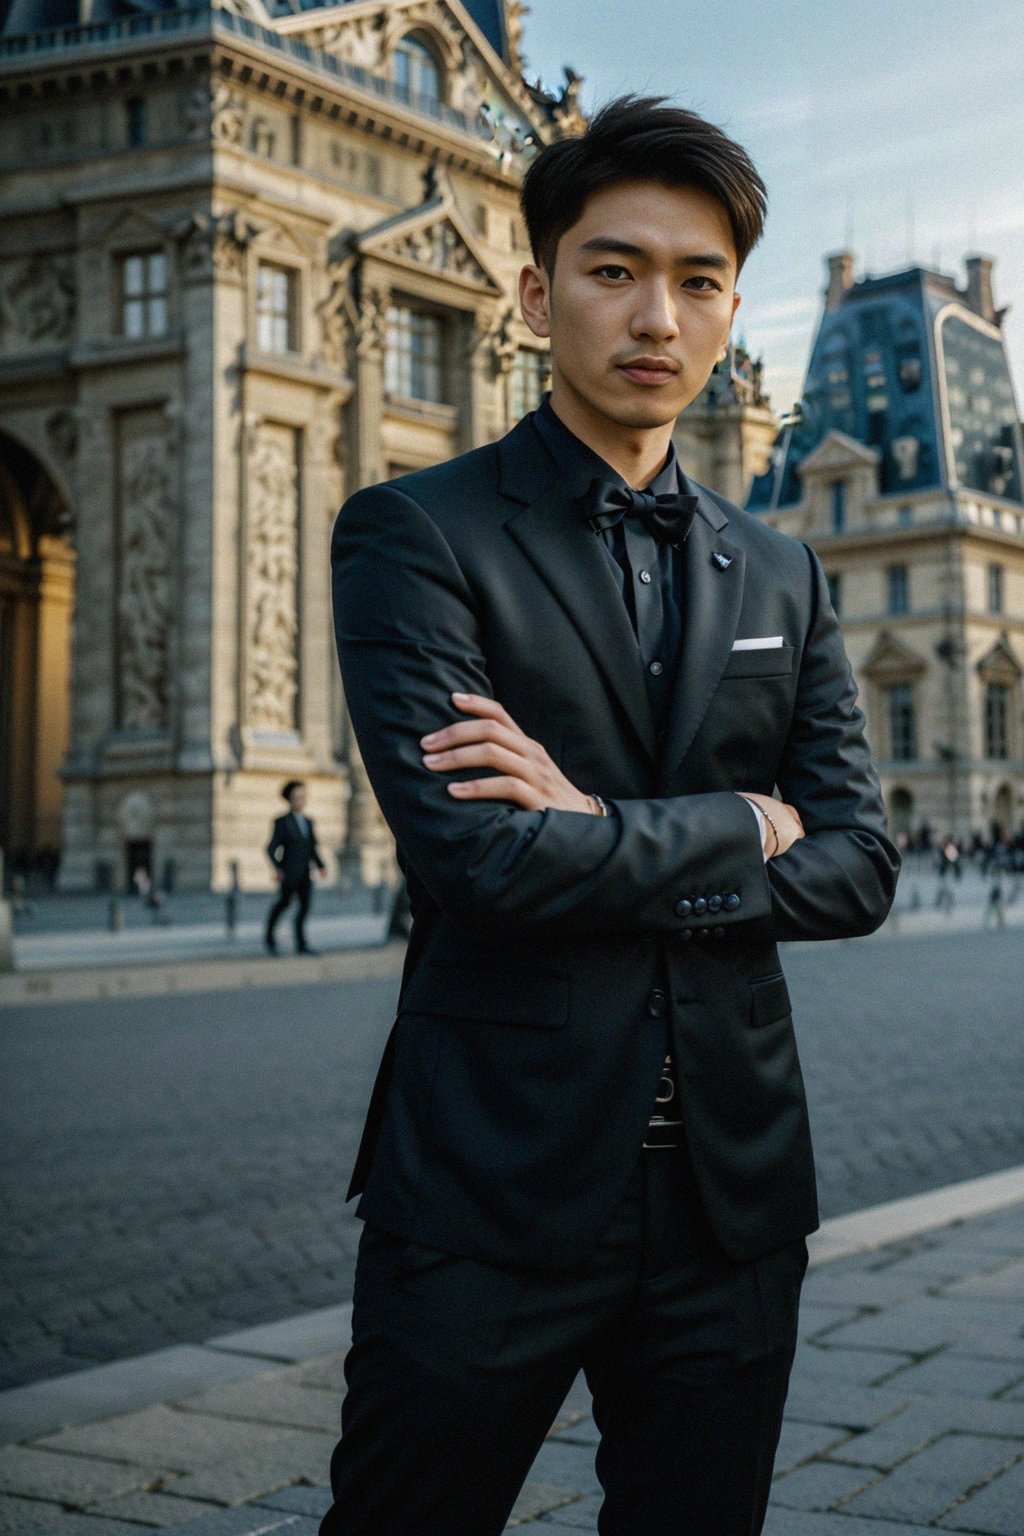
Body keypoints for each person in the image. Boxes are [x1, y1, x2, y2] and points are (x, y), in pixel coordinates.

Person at [321, 95, 899, 1536]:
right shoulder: (414, 533)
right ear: (535, 292)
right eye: (613, 269)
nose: (658, 315)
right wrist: (743, 824)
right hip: (486, 1189)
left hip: (735, 1193)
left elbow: (863, 869)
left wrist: (598, 822)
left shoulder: (785, 571)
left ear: (728, 311)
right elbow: (486, 864)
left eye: (698, 282)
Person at [264, 779, 326, 955]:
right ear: (289, 799)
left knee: (305, 907)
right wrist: (277, 868)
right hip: (289, 873)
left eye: (303, 797)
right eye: (297, 797)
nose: (301, 800)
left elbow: (312, 848)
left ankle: (301, 943)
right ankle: (270, 938)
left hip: (306, 872)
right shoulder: (282, 822)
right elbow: (270, 848)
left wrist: (321, 865)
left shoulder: (308, 822)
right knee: (284, 904)